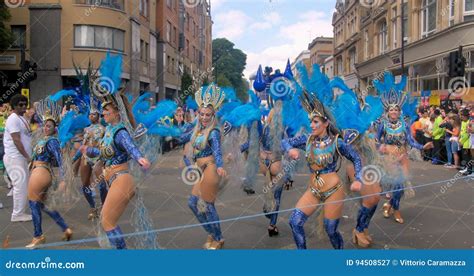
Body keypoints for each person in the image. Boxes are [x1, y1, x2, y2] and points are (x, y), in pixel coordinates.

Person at [80, 94, 151, 249]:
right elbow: (102, 153)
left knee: (107, 221)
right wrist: (87, 149)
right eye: (103, 111)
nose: (103, 114)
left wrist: (139, 158)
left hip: (121, 178)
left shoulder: (120, 132)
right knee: (106, 221)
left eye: (107, 111)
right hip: (112, 178)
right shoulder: (109, 131)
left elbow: (130, 147)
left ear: (117, 113)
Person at [174, 84, 227, 250]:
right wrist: (164, 131)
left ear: (213, 115)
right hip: (200, 169)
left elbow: (217, 151)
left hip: (211, 168)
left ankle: (218, 237)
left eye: (208, 115)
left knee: (209, 206)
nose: (204, 118)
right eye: (202, 114)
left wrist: (219, 166)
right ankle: (211, 231)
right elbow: (180, 138)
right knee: (192, 203)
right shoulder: (196, 130)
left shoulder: (214, 132)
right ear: (198, 113)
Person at [26, 99, 73, 248]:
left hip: (41, 172)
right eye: (45, 125)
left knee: (33, 202)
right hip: (38, 171)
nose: (46, 128)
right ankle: (66, 228)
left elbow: (60, 159)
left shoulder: (52, 141)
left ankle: (38, 236)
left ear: (54, 128)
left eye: (49, 126)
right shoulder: (44, 139)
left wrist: (64, 179)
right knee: (43, 204)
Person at [3, 94, 32, 222]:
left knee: (22, 185)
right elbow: (16, 140)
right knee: (20, 186)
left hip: (19, 158)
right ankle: (17, 214)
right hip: (15, 157)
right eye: (20, 104)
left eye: (25, 104)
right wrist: (27, 156)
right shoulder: (13, 119)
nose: (24, 106)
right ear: (14, 106)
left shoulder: (21, 118)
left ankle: (20, 211)